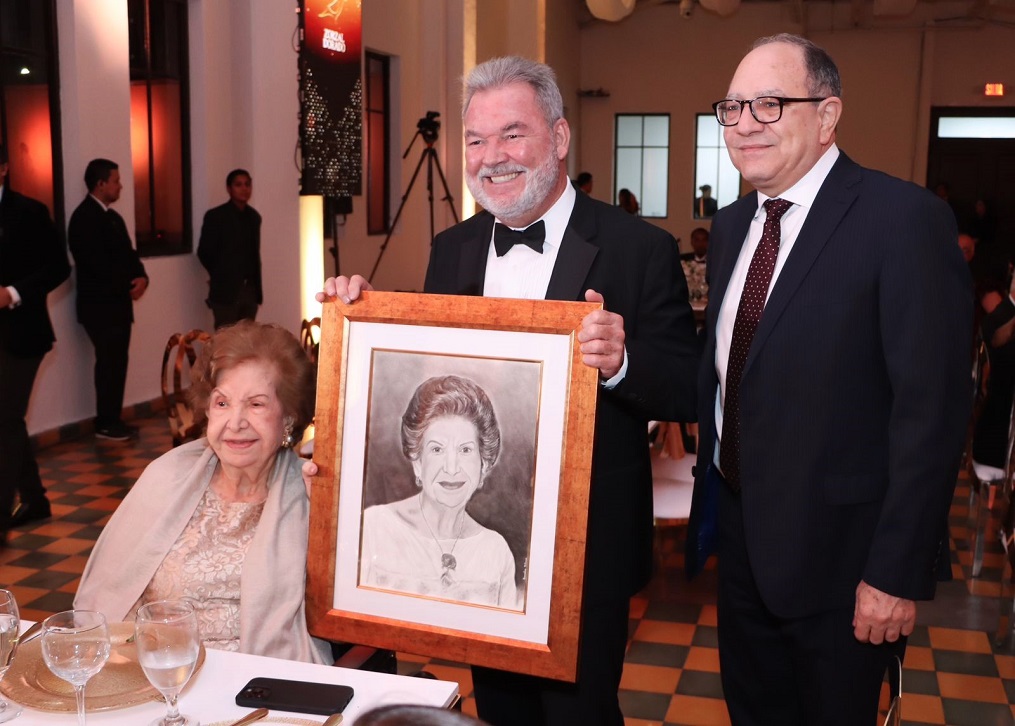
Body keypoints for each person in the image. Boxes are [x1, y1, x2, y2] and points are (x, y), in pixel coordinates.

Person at [320, 56, 699, 726]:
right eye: (475, 140)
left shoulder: (636, 248)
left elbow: (686, 389)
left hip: (587, 549)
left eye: (511, 135)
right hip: (481, 546)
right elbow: (436, 379)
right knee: (500, 711)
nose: (490, 157)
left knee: (581, 714)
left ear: (557, 139)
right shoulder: (452, 248)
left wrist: (620, 361)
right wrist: (362, 317)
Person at [686, 34, 971, 725]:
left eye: (769, 104)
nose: (744, 123)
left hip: (846, 565)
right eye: (732, 106)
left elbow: (929, 414)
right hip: (743, 540)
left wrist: (894, 574)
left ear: (825, 115)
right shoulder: (729, 229)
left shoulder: (900, 221)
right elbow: (730, 377)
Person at [74, 321, 331, 663]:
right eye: (222, 404)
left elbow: (363, 598)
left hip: (257, 684)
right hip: (156, 670)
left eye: (256, 404)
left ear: (288, 418)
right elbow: (106, 598)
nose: (235, 421)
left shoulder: (313, 493)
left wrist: (330, 523)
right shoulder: (167, 478)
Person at [360, 375, 518, 609]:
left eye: (465, 450)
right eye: (437, 449)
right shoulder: (374, 528)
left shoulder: (495, 551)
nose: (451, 468)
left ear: (483, 464)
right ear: (417, 461)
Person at [0, 144, 71, 542]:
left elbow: (58, 267)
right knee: (8, 419)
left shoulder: (28, 212)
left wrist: (13, 293)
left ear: (4, 168)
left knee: (4, 418)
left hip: (22, 334)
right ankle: (35, 498)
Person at [68, 158, 148, 441]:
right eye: (116, 180)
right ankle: (104, 422)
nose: (120, 185)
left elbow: (129, 254)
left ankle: (113, 418)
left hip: (118, 306)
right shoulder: (83, 218)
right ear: (101, 184)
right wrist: (125, 285)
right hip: (99, 308)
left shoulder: (114, 217)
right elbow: (94, 264)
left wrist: (141, 277)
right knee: (108, 363)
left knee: (118, 362)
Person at [198, 169, 263, 328]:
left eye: (247, 184)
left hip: (250, 289)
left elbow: (253, 254)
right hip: (225, 290)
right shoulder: (216, 216)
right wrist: (219, 273)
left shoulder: (254, 217)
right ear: (229, 188)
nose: (244, 189)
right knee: (225, 339)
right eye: (238, 185)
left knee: (248, 339)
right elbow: (204, 252)